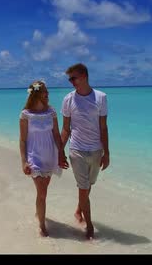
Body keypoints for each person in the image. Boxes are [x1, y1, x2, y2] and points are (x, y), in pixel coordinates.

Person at [60, 63, 110, 240]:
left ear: (84, 76)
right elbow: (65, 129)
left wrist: (107, 152)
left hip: (96, 150)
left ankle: (78, 210)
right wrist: (60, 151)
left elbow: (103, 127)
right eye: (69, 79)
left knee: (89, 186)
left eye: (73, 78)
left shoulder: (101, 98)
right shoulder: (68, 99)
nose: (71, 82)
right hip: (77, 150)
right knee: (83, 188)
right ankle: (89, 226)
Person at [19, 80, 67, 237]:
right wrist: (24, 161)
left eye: (47, 91)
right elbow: (23, 140)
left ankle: (39, 213)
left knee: (43, 191)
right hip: (34, 156)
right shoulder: (25, 114)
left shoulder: (51, 112)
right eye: (45, 91)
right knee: (42, 192)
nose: (48, 93)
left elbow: (56, 134)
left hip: (49, 156)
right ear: (36, 93)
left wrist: (61, 153)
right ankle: (42, 225)